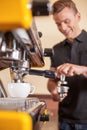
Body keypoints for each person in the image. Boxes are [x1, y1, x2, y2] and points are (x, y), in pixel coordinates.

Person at [47, 0, 87, 130]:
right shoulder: (56, 49)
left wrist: (81, 69)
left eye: (66, 21)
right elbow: (52, 80)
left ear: (78, 17)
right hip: (64, 120)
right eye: (58, 24)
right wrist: (53, 91)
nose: (63, 28)